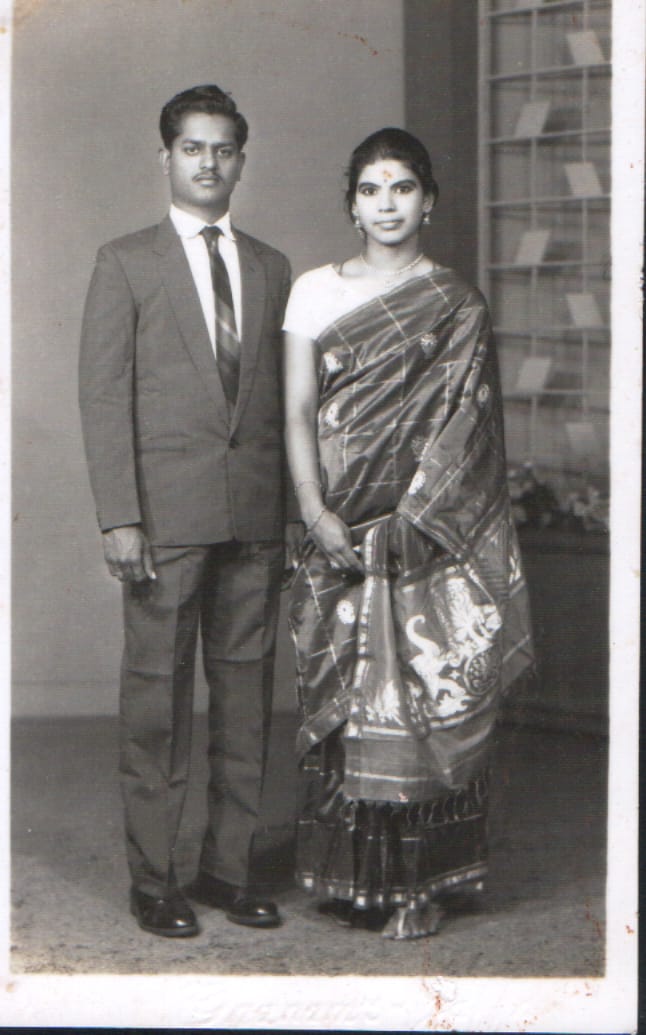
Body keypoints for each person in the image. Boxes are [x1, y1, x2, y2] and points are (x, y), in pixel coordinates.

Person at [283, 128, 533, 940]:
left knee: (423, 696)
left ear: (428, 201)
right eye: (370, 189)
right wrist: (316, 512)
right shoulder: (315, 291)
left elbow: (468, 430)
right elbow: (296, 412)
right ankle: (355, 879)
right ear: (351, 205)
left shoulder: (457, 304)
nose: (386, 204)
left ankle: (423, 885)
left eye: (401, 187)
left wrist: (416, 520)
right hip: (335, 523)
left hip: (424, 535)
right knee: (347, 703)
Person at [79, 84, 300, 937]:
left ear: (241, 160)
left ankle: (228, 868)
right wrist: (118, 516)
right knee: (157, 705)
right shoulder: (126, 262)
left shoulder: (271, 266)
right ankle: (156, 878)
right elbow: (104, 397)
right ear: (166, 156)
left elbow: (284, 404)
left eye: (223, 149)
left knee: (247, 699)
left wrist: (287, 513)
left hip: (254, 518)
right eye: (192, 148)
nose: (209, 162)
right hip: (163, 523)